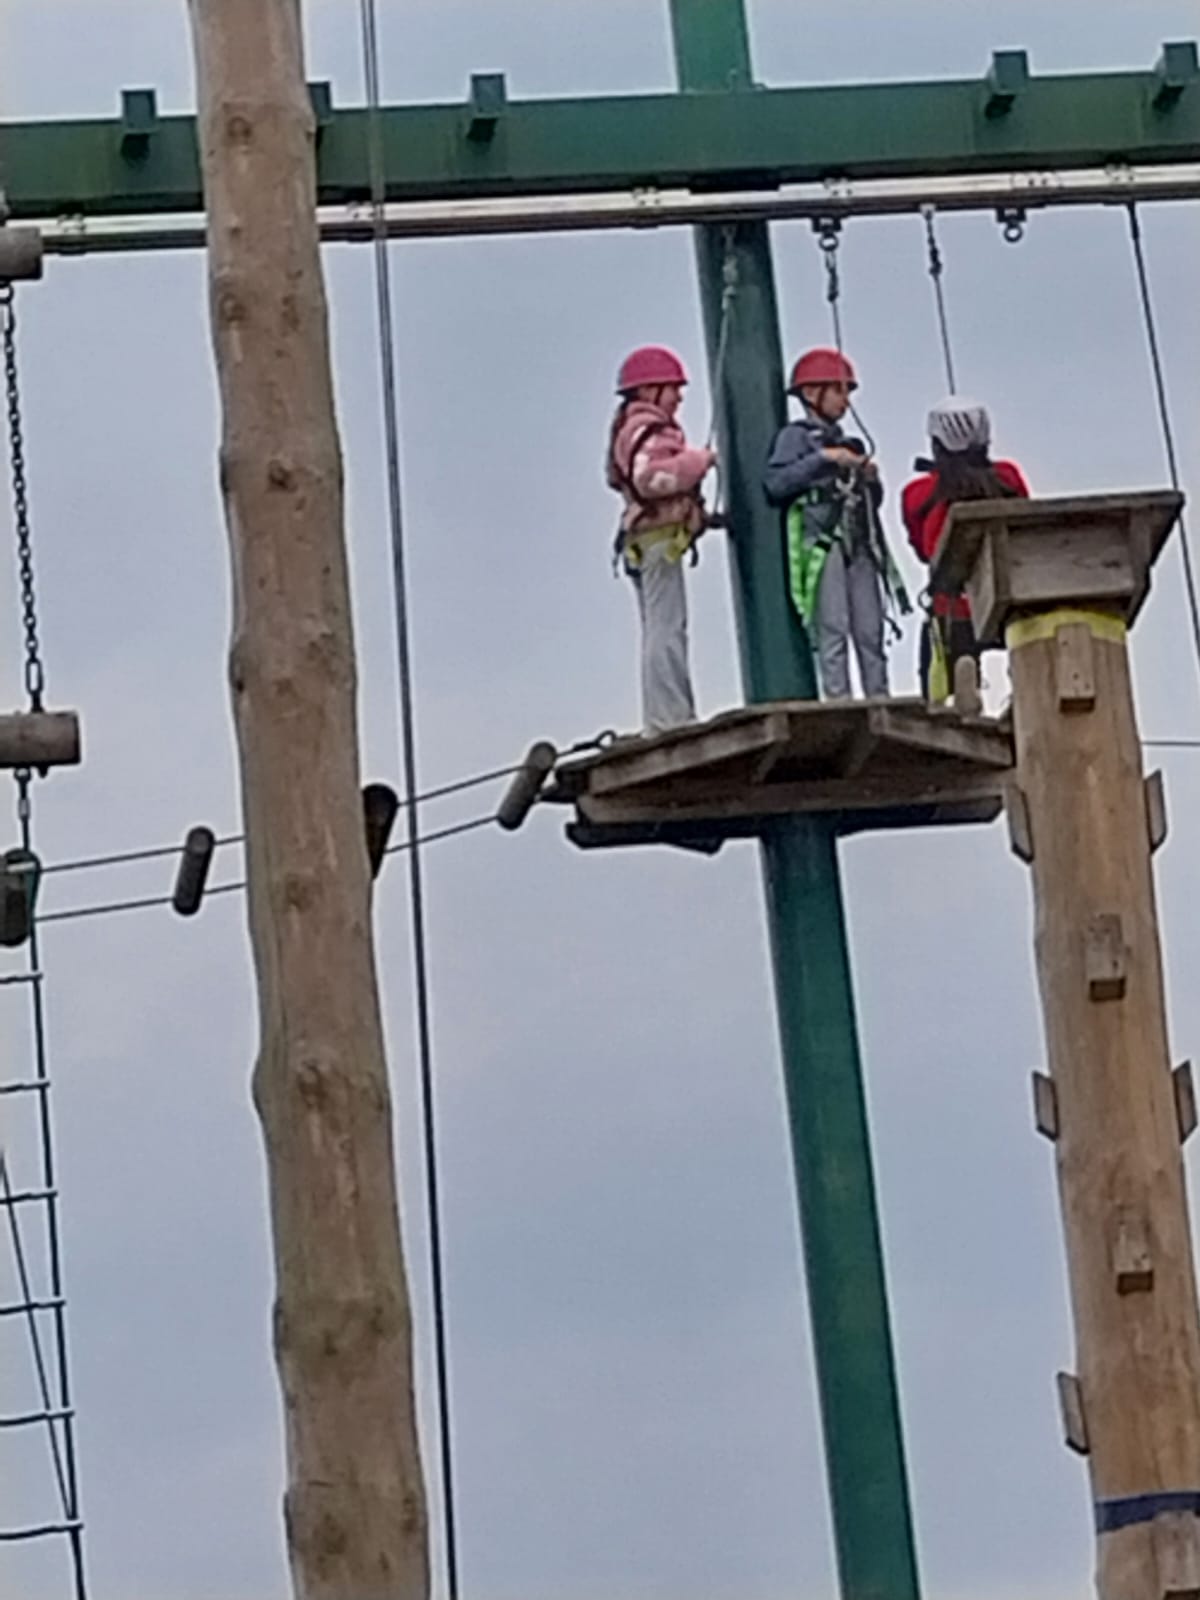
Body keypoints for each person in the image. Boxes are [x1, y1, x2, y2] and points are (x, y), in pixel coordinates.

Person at [763, 347, 904, 700]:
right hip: (824, 542)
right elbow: (776, 483)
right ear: (812, 394)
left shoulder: (849, 444)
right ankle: (839, 698)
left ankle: (878, 696)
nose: (845, 401)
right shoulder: (795, 438)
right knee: (833, 627)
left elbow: (875, 503)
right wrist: (824, 460)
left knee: (870, 630)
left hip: (860, 542)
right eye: (838, 391)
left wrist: (867, 477)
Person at [606, 345, 716, 736]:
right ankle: (670, 719)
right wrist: (700, 461)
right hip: (657, 539)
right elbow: (652, 480)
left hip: (645, 540)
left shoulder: (631, 429)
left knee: (661, 628)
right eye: (672, 389)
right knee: (667, 630)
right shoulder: (649, 430)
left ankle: (667, 715)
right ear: (650, 390)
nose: (679, 398)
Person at [901, 397, 1030, 701]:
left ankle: (958, 696)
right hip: (1012, 601)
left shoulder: (918, 494)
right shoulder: (1007, 478)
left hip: (953, 612)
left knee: (935, 649)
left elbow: (922, 550)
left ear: (936, 444)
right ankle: (1022, 689)